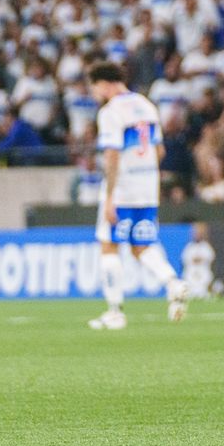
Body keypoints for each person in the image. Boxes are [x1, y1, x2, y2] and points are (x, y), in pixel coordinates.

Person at [86, 61, 188, 330]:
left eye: (95, 87)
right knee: (141, 245)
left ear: (104, 83)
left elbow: (112, 154)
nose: (95, 94)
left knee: (109, 244)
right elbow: (160, 152)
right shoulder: (146, 105)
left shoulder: (110, 112)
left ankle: (115, 312)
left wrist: (109, 196)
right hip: (148, 188)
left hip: (123, 188)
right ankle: (172, 282)